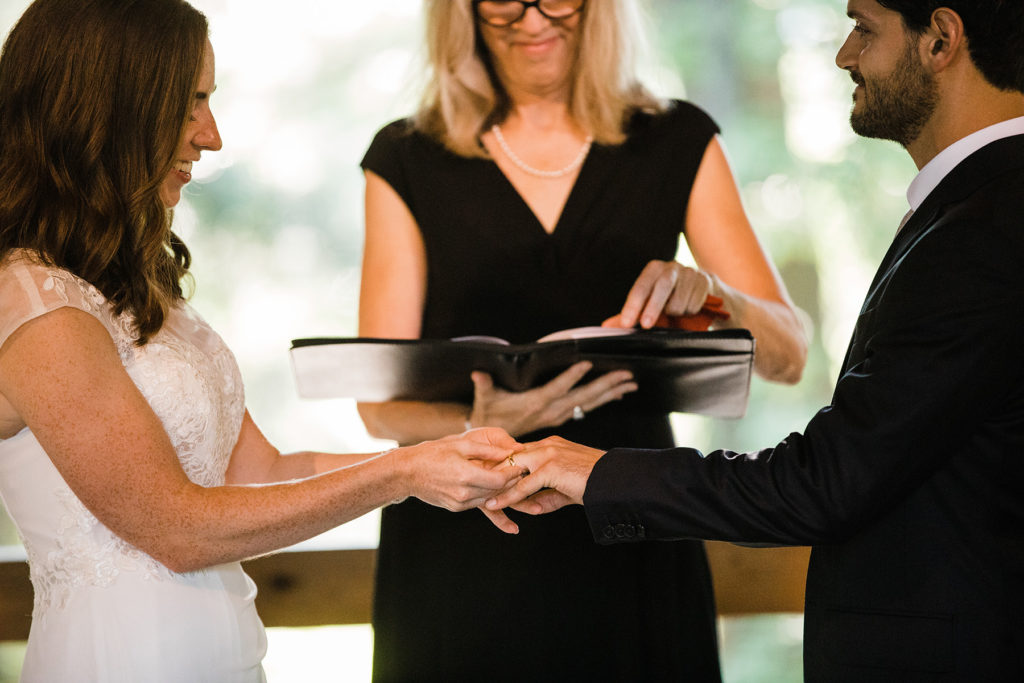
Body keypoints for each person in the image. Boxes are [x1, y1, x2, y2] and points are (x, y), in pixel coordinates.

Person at [488, 0, 1024, 680]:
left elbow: (826, 482)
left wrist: (592, 471)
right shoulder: (973, 207)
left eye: (864, 28)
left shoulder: (982, 229)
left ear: (941, 39)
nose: (844, 55)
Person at [0, 1, 524, 681]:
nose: (210, 136)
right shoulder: (32, 300)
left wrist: (440, 461)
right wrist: (402, 472)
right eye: (190, 103)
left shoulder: (136, 288)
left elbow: (264, 474)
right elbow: (174, 526)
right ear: (110, 107)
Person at [358, 0, 808, 679]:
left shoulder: (676, 138)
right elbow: (379, 409)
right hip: (465, 541)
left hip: (631, 529)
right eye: (505, 3)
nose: (534, 21)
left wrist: (713, 296)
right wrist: (479, 421)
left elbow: (790, 354)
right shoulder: (406, 155)